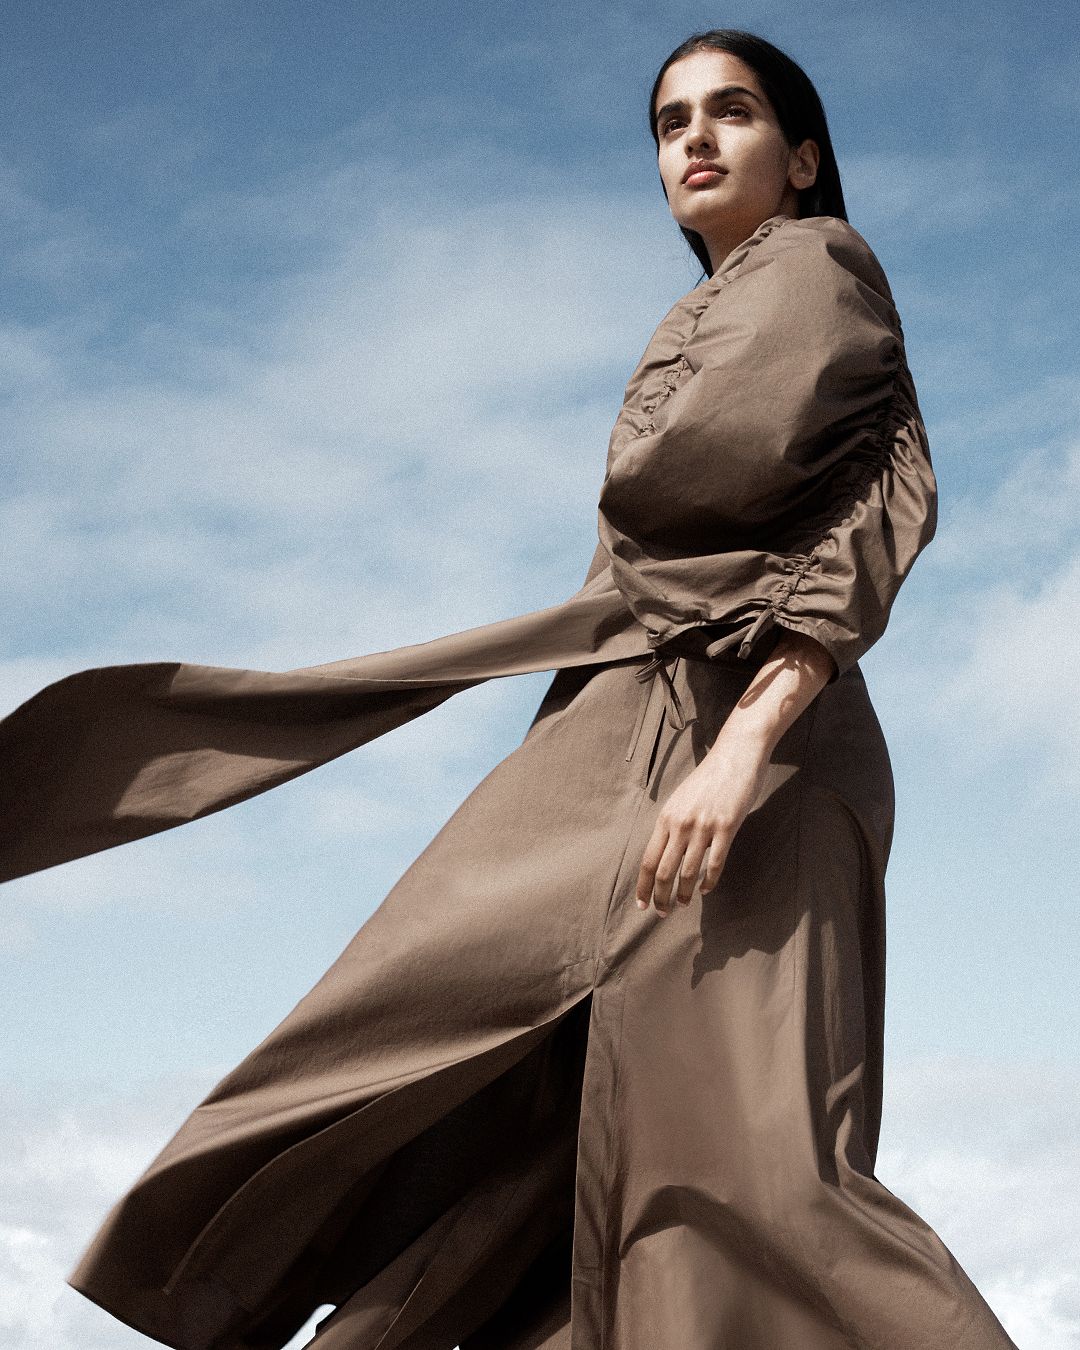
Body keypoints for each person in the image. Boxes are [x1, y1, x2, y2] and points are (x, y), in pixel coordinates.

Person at [0, 27, 1019, 1350]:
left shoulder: (819, 265)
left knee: (746, 1182)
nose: (695, 140)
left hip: (729, 750)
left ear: (805, 156)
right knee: (531, 1151)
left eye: (734, 113)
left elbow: (733, 497)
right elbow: (863, 507)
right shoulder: (738, 304)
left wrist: (747, 737)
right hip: (640, 744)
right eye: (670, 123)